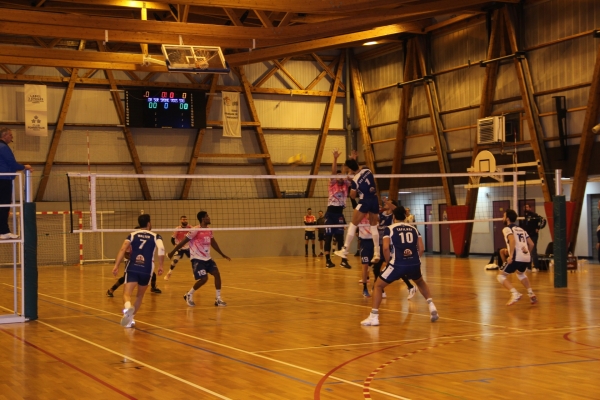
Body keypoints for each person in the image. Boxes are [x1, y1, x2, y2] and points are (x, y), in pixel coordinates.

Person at [361, 206, 439, 326]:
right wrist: (414, 259)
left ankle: (374, 317)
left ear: (393, 217)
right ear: (405, 216)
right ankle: (431, 305)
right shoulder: (414, 229)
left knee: (378, 286)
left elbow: (386, 247)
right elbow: (421, 248)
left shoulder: (389, 229)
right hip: (414, 262)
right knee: (420, 282)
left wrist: (388, 262)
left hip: (397, 264)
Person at [168, 211, 231, 307]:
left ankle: (218, 299)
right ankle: (189, 294)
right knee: (204, 279)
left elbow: (213, 243)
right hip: (197, 259)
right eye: (207, 216)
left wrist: (222, 254)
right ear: (203, 218)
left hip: (207, 258)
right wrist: (172, 252)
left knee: (217, 274)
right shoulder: (194, 230)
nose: (209, 217)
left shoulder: (209, 230)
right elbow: (182, 242)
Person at [112, 214, 164, 328]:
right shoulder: (156, 236)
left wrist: (116, 265)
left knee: (127, 294)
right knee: (140, 296)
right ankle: (131, 319)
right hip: (147, 269)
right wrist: (161, 265)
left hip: (133, 267)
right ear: (149, 224)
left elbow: (122, 249)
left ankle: (127, 308)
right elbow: (161, 249)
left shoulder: (132, 235)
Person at [334, 150, 381, 263]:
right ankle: (377, 253)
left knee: (353, 224)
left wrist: (353, 186)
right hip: (374, 199)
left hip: (365, 201)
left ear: (350, 169)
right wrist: (353, 161)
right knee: (373, 226)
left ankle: (344, 250)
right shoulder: (367, 170)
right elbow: (358, 170)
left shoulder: (355, 180)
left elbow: (353, 195)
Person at [372, 197, 417, 300]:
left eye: (389, 203)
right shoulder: (381, 215)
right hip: (380, 244)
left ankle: (409, 286)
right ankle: (380, 289)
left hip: (390, 245)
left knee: (396, 268)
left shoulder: (393, 216)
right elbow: (374, 219)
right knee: (376, 267)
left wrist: (387, 202)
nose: (386, 204)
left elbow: (396, 208)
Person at [498, 209, 538, 306]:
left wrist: (511, 255)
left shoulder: (507, 229)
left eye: (503, 216)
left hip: (516, 256)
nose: (502, 218)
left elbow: (512, 240)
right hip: (526, 256)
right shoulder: (522, 230)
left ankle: (515, 293)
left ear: (507, 218)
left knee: (500, 276)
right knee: (520, 274)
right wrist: (527, 253)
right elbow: (531, 244)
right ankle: (531, 293)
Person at [0, 128, 33, 240]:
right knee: (4, 205)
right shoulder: (3, 147)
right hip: (4, 180)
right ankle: (4, 231)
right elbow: (12, 163)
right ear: (4, 136)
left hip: (3, 179)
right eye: (10, 135)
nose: (12, 137)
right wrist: (25, 167)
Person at [324, 149, 352, 269]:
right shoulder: (333, 183)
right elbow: (333, 171)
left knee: (341, 238)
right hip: (330, 212)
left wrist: (352, 160)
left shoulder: (346, 184)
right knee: (328, 237)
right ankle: (328, 260)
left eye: (342, 176)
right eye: (338, 176)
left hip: (339, 213)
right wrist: (335, 159)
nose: (340, 177)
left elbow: (350, 173)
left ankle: (343, 260)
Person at [164, 216, 191, 280]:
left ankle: (195, 273)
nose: (185, 220)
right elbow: (172, 239)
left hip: (188, 247)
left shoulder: (190, 228)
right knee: (175, 260)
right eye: (183, 219)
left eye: (186, 219)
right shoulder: (177, 229)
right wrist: (175, 246)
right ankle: (169, 273)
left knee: (194, 260)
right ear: (180, 221)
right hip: (180, 248)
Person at [519, 204, 543, 272]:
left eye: (527, 207)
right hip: (526, 236)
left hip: (533, 235)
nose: (525, 208)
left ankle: (536, 267)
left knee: (533, 250)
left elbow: (542, 221)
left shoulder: (534, 215)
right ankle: (528, 267)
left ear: (530, 208)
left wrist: (538, 228)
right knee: (527, 251)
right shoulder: (524, 216)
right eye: (524, 207)